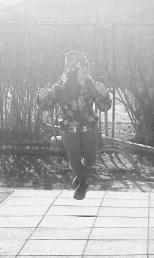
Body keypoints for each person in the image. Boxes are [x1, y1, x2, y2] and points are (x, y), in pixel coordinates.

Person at [37, 51, 112, 200]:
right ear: (73, 72)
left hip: (89, 129)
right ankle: (83, 183)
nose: (87, 75)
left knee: (91, 159)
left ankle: (80, 176)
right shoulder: (60, 88)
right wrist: (41, 97)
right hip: (68, 130)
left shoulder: (90, 86)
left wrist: (104, 94)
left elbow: (104, 107)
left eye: (88, 72)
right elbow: (46, 106)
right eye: (83, 71)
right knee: (74, 157)